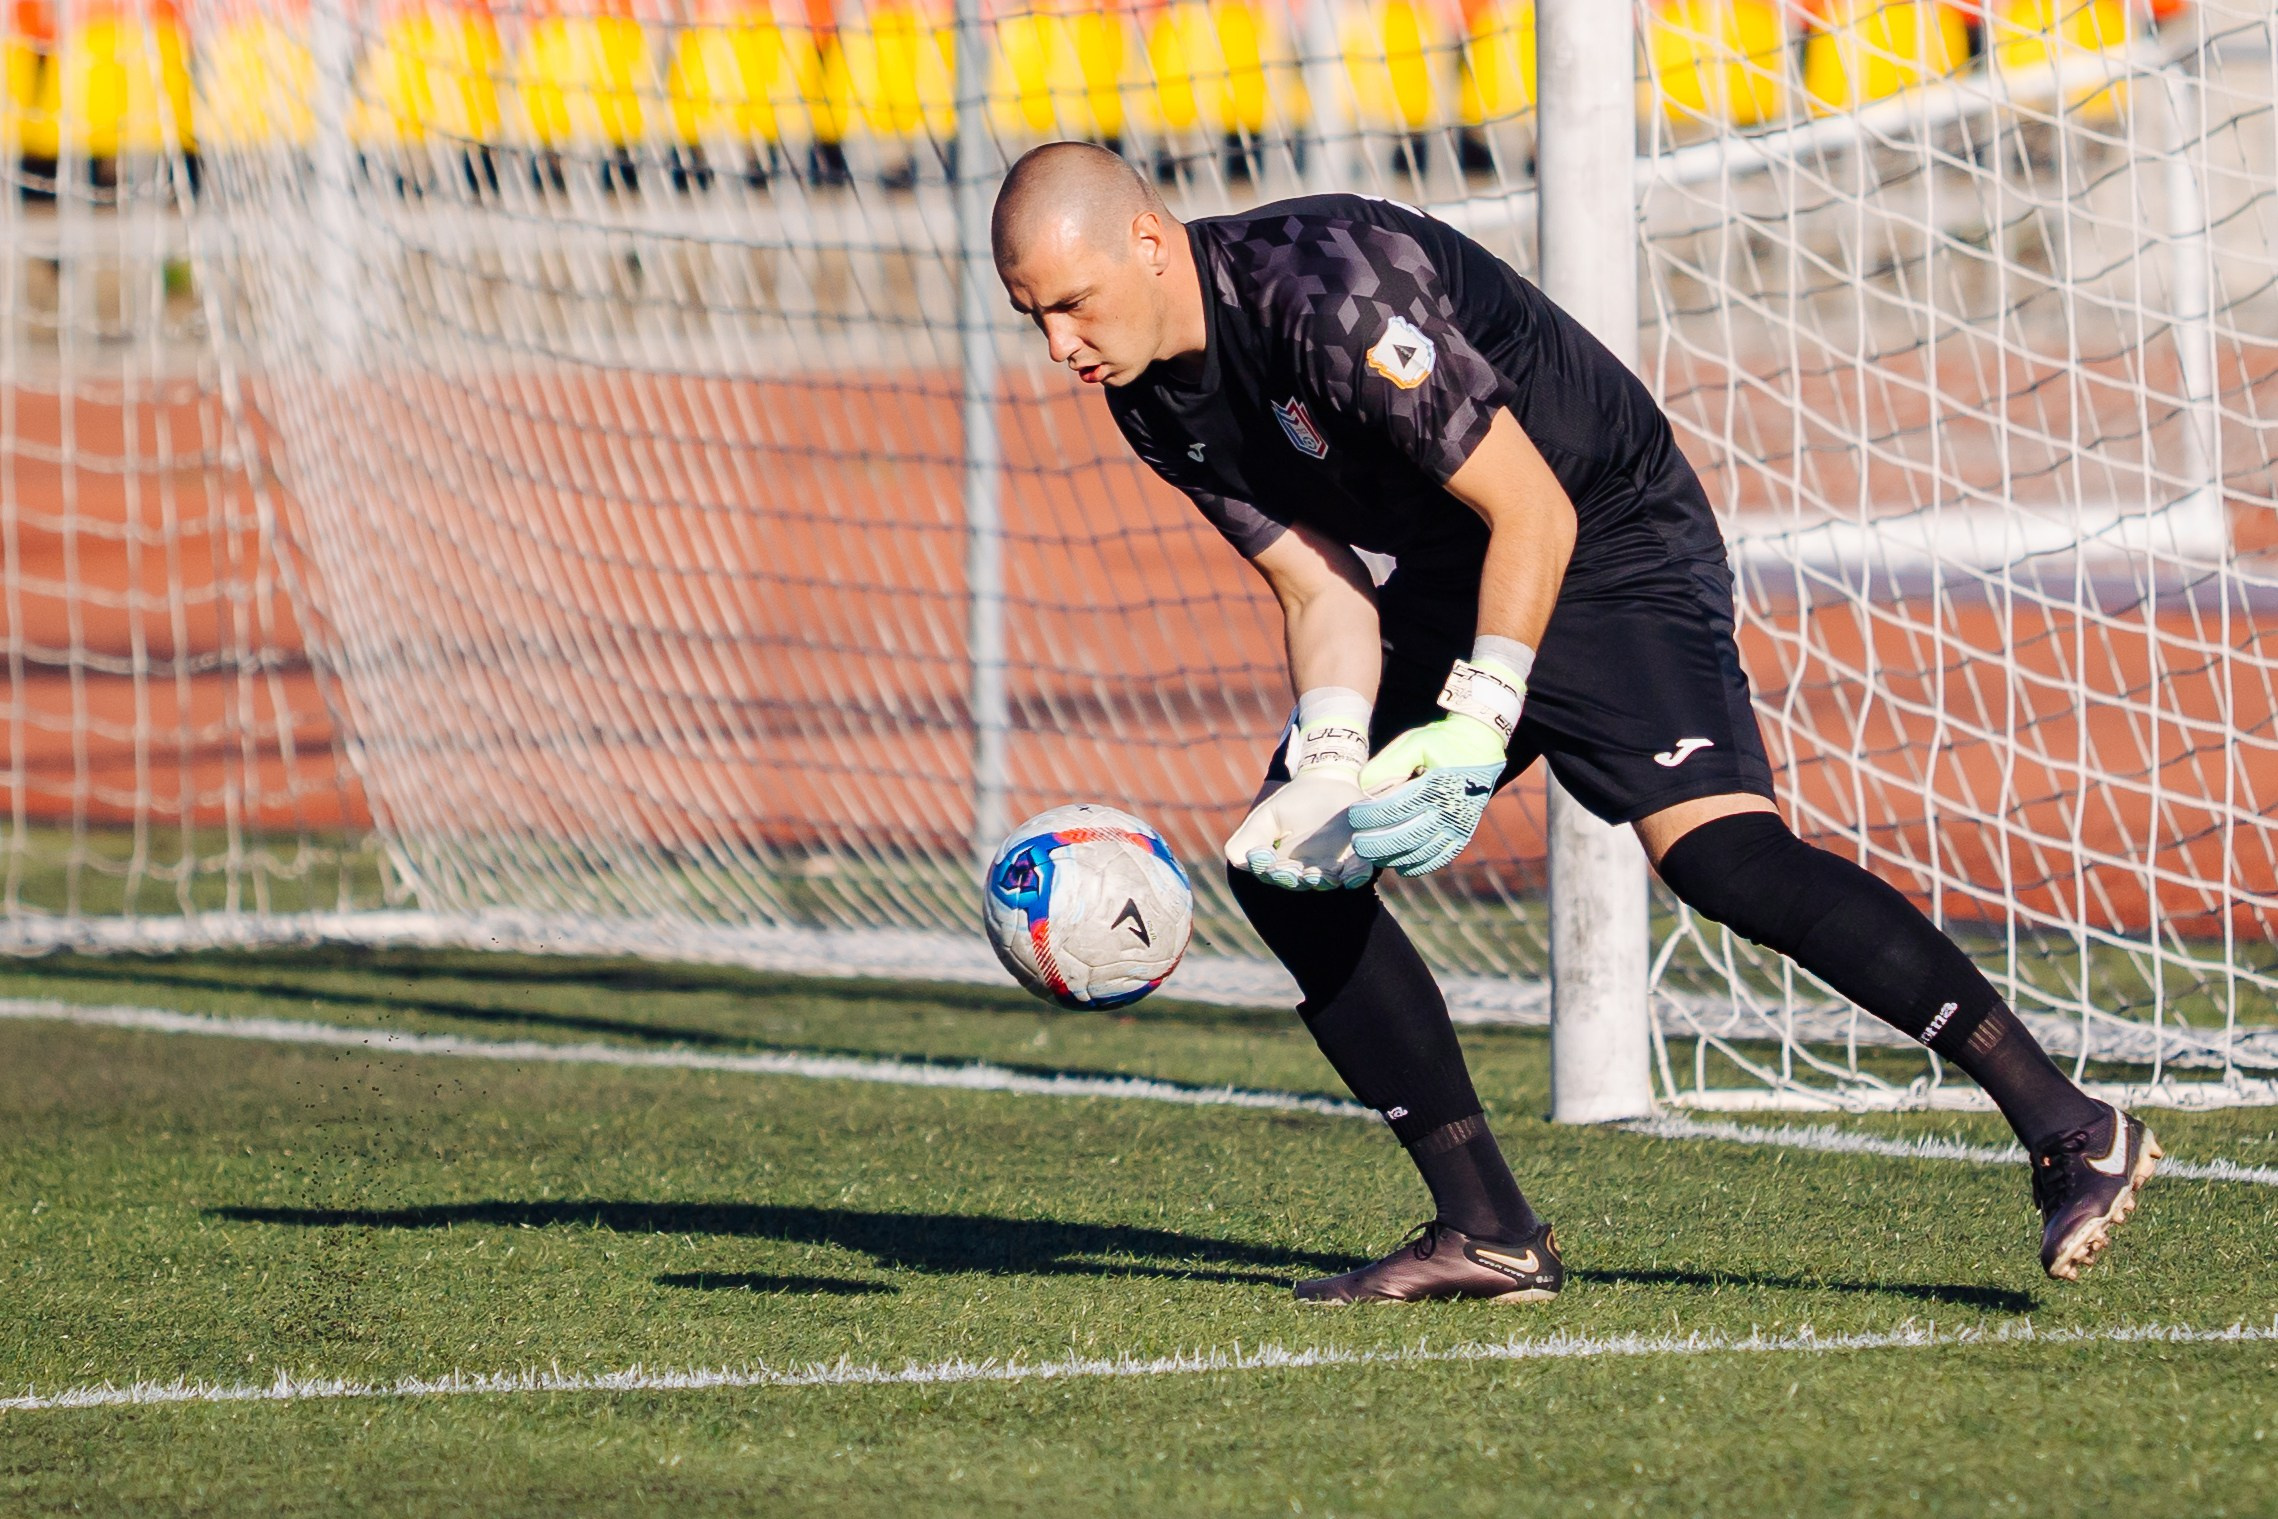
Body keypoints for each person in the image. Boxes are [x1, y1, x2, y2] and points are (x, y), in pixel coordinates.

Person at [989, 141, 2158, 1304]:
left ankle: (2069, 1127)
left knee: (1720, 859)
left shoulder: (1323, 289)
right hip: (1459, 564)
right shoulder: (1150, 400)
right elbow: (1321, 588)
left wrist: (1479, 715)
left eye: (1072, 304)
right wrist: (1330, 759)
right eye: (1031, 315)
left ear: (1147, 242)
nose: (1058, 345)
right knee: (1292, 870)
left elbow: (1531, 507)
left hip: (1602, 528)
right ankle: (1489, 1229)